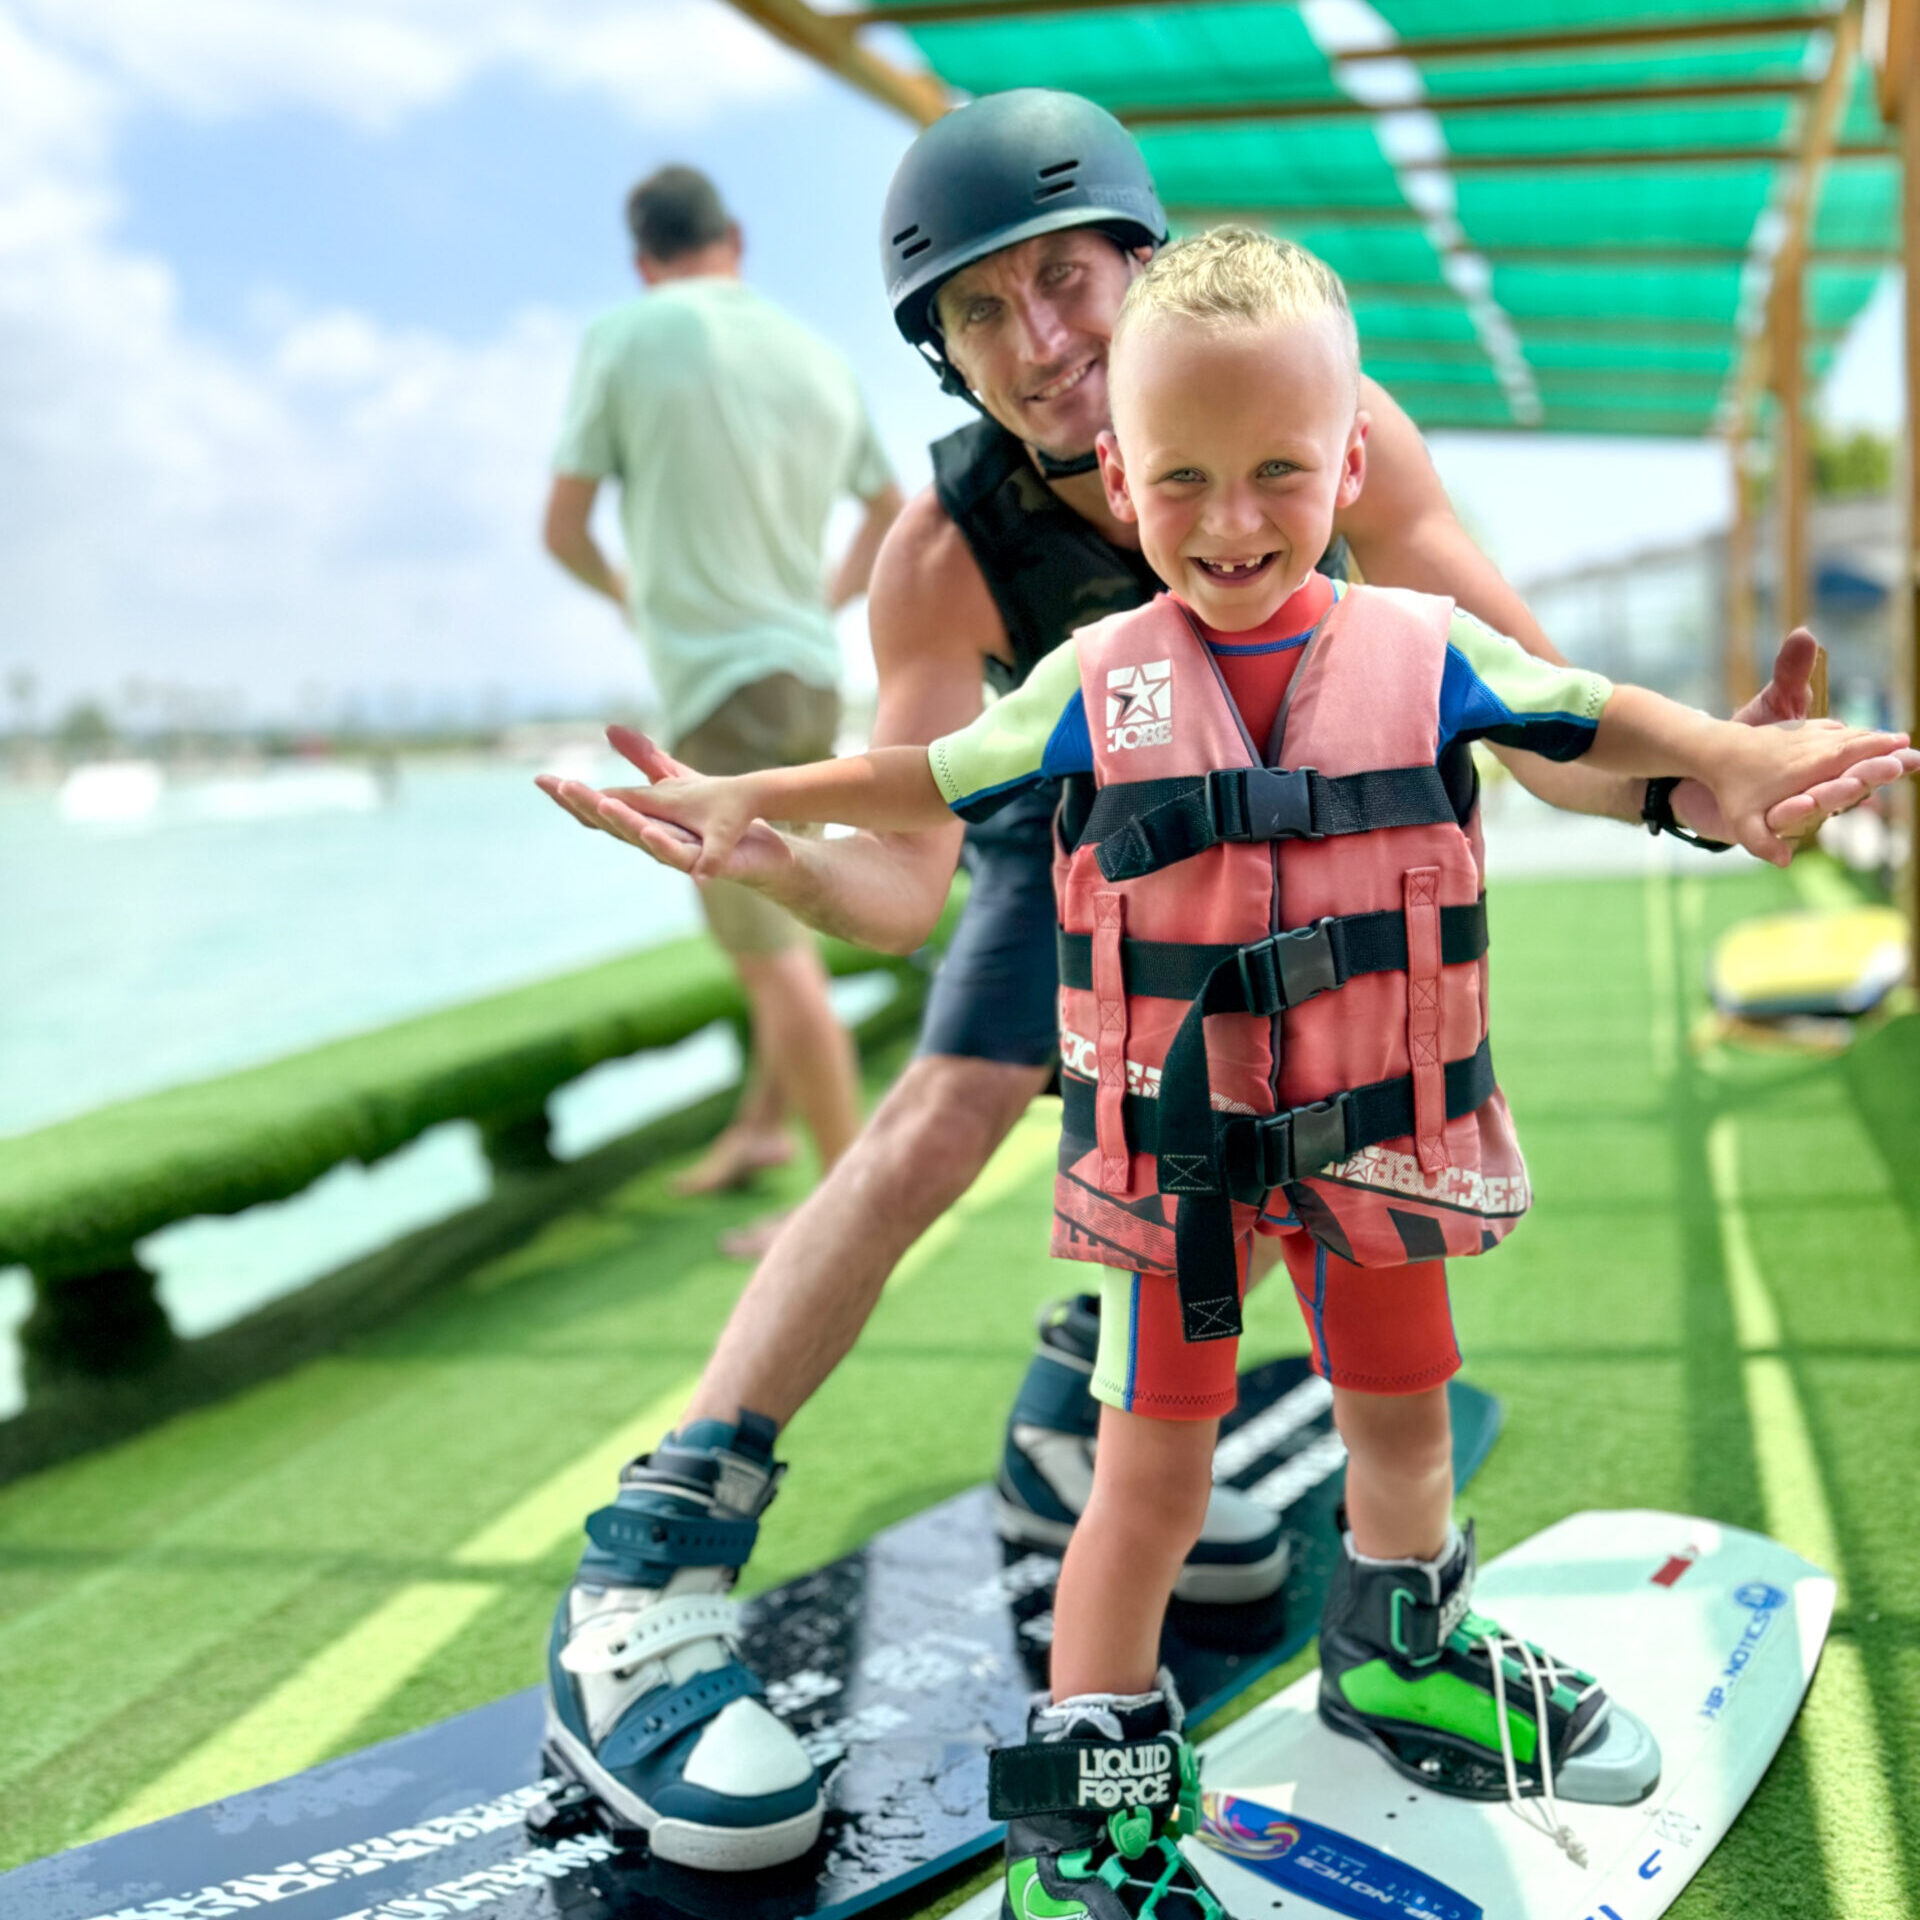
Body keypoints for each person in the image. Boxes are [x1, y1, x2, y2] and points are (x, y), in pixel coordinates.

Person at [534, 94, 1909, 1874]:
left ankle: (1104, 1440)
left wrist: (1706, 784)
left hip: (1316, 853)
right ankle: (652, 1568)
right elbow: (900, 877)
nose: (1041, 338)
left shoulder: (1339, 421)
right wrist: (781, 857)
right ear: (945, 356)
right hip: (1072, 813)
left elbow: (1533, 713)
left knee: (1317, 1119)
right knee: (945, 1111)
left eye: (1066, 276)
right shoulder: (944, 550)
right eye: (979, 309)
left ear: (1145, 261)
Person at [543, 163, 903, 1254]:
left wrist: (628, 594)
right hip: (807, 672)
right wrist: (820, 604)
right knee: (775, 903)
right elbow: (888, 511)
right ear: (734, 239)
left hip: (717, 688)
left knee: (767, 949)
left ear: (642, 260)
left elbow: (563, 530)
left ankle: (843, 1210)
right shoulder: (816, 352)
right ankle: (760, 1130)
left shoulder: (626, 336)